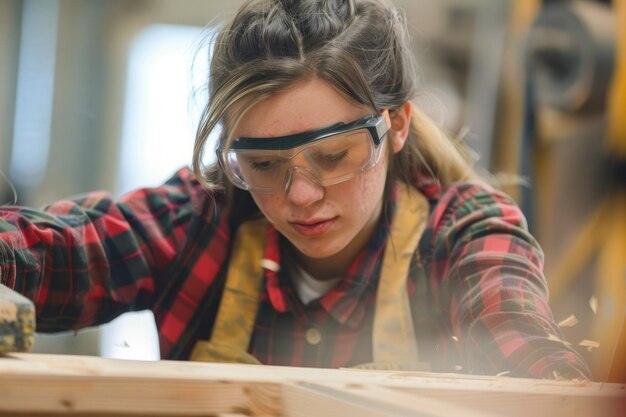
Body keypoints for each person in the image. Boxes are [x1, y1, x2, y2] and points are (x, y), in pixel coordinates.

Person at [0, 0, 590, 379]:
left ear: (399, 124)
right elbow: (52, 255)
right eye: (262, 164)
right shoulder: (201, 221)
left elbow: (520, 344)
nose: (301, 196)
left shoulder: (462, 234)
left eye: (333, 156)